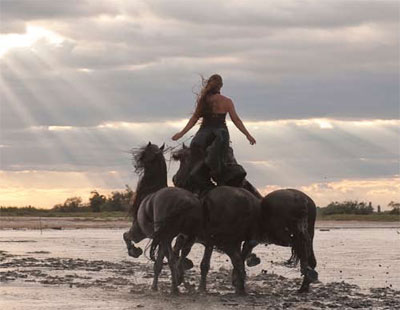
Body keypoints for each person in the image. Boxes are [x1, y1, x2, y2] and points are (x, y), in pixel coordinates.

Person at [172, 74, 256, 193]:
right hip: (220, 134)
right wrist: (248, 135)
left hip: (204, 134)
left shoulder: (204, 100)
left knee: (194, 156)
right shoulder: (227, 101)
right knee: (224, 158)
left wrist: (181, 134)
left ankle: (200, 182)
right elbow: (236, 120)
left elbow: (194, 118)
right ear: (220, 86)